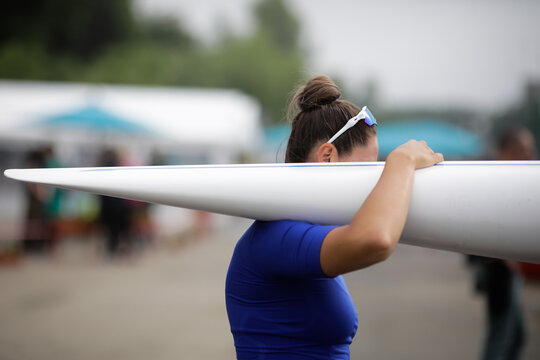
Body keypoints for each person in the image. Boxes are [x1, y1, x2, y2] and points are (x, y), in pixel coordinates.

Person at [225, 75, 443, 359]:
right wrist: (400, 162)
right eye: (369, 167)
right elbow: (376, 239)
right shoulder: (276, 236)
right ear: (327, 156)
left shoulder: (303, 228)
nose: (376, 181)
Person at [467, 126, 535, 360]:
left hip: (505, 270)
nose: (529, 156)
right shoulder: (492, 180)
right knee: (502, 336)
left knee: (515, 336)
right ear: (507, 150)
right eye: (523, 150)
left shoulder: (505, 177)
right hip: (498, 271)